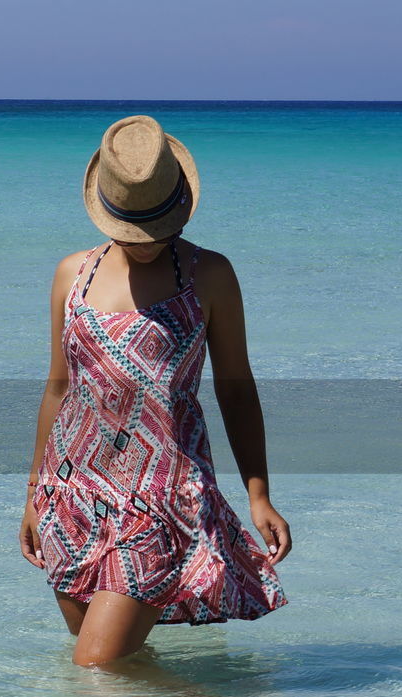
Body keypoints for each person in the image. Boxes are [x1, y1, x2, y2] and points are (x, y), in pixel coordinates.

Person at [20, 115, 292, 669]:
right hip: (73, 495)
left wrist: (258, 493)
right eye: (132, 230)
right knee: (126, 669)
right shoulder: (71, 274)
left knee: (94, 672)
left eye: (157, 229)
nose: (145, 243)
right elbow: (58, 387)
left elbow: (236, 389)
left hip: (164, 499)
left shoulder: (208, 274)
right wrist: (34, 490)